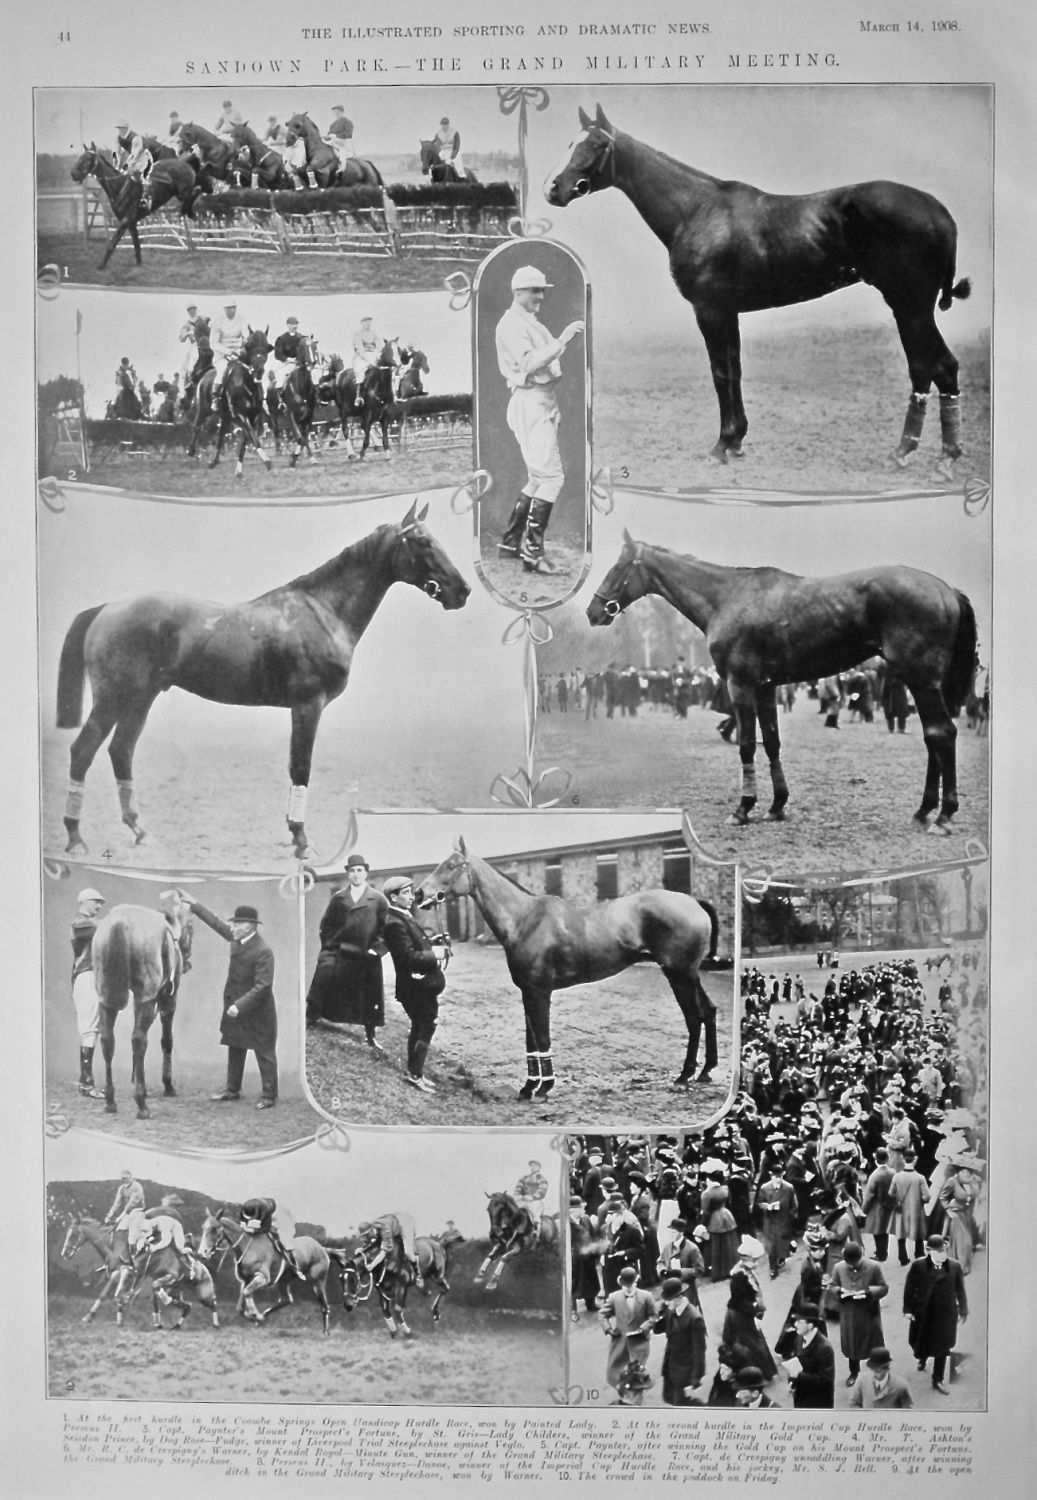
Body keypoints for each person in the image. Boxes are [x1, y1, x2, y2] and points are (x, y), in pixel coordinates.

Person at [494, 265, 585, 571]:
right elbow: (531, 363)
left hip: (541, 400)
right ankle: (533, 553)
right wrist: (563, 339)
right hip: (529, 401)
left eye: (542, 290)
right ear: (517, 292)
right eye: (535, 290)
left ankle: (509, 542)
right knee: (552, 477)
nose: (541, 296)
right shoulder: (510, 324)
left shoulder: (527, 321)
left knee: (537, 477)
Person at [174, 894, 278, 1109]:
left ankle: (269, 1095)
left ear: (250, 927)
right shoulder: (237, 940)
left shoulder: (263, 951)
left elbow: (263, 986)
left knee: (264, 1051)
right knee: (236, 1045)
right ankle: (232, 1090)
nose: (233, 926)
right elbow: (217, 924)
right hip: (236, 1006)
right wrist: (194, 905)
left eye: (237, 923)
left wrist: (238, 1006)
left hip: (258, 1010)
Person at [305, 856, 388, 1048]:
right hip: (339, 951)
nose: (356, 874)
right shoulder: (339, 898)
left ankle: (370, 1034)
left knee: (370, 992)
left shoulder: (378, 899)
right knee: (324, 972)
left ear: (366, 873)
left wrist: (376, 951)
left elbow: (387, 930)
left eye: (360, 870)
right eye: (352, 871)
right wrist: (329, 946)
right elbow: (326, 926)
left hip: (366, 954)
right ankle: (311, 1017)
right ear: (347, 873)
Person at [381, 874, 446, 1092]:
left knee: (422, 1025)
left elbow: (414, 945)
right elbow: (406, 957)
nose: (411, 896)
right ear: (393, 897)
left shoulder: (403, 916)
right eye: (406, 893)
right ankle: (415, 1074)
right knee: (425, 1024)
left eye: (411, 891)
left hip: (420, 985)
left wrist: (432, 944)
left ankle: (415, 1072)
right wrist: (434, 954)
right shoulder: (394, 923)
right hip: (413, 986)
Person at [903, 1232, 968, 1395]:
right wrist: (908, 1310)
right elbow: (909, 1289)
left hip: (946, 1315)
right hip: (923, 1313)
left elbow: (960, 1289)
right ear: (928, 1251)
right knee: (922, 1340)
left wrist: (964, 1310)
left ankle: (937, 1379)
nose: (942, 1255)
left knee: (943, 1346)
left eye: (944, 1251)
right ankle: (923, 1357)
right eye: (938, 1252)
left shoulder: (954, 1267)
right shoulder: (918, 1266)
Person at [829, 1241, 888, 1386]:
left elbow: (884, 1287)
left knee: (874, 1345)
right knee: (852, 1345)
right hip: (849, 1314)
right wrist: (840, 1292)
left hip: (869, 1313)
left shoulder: (873, 1267)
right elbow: (832, 1286)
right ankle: (854, 1372)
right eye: (850, 1265)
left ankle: (879, 1373)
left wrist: (868, 1293)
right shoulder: (838, 1268)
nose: (852, 1267)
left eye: (855, 1264)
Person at [69, 887, 107, 1098]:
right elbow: (100, 927)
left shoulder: (92, 923)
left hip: (94, 977)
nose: (100, 906)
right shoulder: (80, 922)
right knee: (89, 1029)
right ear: (84, 901)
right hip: (86, 977)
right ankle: (86, 1083)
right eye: (97, 902)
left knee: (93, 1028)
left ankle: (86, 1082)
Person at [599, 1266, 656, 1406]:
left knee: (637, 1375)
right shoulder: (614, 1297)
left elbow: (653, 1316)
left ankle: (636, 1402)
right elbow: (602, 1315)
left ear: (636, 1282)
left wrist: (644, 1328)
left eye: (631, 1285)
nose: (628, 1289)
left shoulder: (646, 1296)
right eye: (626, 1286)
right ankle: (626, 1397)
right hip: (620, 1344)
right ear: (621, 1284)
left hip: (639, 1343)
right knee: (616, 1373)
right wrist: (609, 1329)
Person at [722, 1237, 778, 1380]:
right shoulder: (739, 1278)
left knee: (751, 1343)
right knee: (751, 1344)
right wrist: (754, 1312)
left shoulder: (746, 1272)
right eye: (755, 1260)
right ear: (746, 1259)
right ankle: (758, 1373)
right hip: (739, 1314)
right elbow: (739, 1301)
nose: (758, 1263)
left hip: (743, 1312)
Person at [654, 1275, 706, 1405]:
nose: (666, 1303)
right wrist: (659, 1313)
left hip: (684, 1370)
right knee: (668, 1397)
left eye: (669, 1300)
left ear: (679, 1298)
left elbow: (699, 1351)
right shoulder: (671, 1310)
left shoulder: (694, 1318)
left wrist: (696, 1378)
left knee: (681, 1403)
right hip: (670, 1366)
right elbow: (657, 1330)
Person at [783, 1302, 836, 1408]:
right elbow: (795, 1362)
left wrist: (799, 1375)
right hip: (801, 1395)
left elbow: (826, 1381)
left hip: (817, 1401)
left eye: (799, 1322)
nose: (795, 1325)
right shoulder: (799, 1338)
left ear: (810, 1325)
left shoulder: (825, 1349)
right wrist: (792, 1382)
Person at [239, 1196, 303, 1277]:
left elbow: (265, 1228)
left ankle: (294, 1266)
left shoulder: (265, 1211)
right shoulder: (245, 1207)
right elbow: (242, 1221)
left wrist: (251, 1230)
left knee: (284, 1241)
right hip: (263, 1214)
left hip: (277, 1217)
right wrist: (243, 1225)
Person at [755, 1162, 797, 1279]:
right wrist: (767, 1207)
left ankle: (782, 1257)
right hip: (770, 1221)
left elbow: (794, 1205)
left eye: (780, 1177)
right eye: (775, 1177)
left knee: (782, 1243)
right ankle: (773, 1267)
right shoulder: (765, 1188)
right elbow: (759, 1203)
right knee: (771, 1246)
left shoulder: (789, 1188)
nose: (778, 1180)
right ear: (771, 1175)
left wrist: (790, 1217)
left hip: (783, 1221)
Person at [892, 1150, 931, 1265]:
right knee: (918, 1230)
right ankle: (919, 1252)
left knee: (901, 1232)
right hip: (916, 1208)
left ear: (903, 1159)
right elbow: (927, 1196)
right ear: (915, 1160)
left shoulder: (897, 1177)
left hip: (901, 1208)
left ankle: (903, 1257)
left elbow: (891, 1193)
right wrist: (921, 1201)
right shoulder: (920, 1178)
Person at [209, 298, 252, 397]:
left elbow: (246, 335)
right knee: (222, 370)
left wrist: (243, 345)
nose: (232, 310)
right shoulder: (218, 322)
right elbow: (213, 343)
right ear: (224, 309)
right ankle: (215, 396)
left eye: (234, 308)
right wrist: (227, 351)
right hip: (222, 355)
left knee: (251, 368)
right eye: (229, 308)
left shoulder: (240, 319)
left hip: (238, 352)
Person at [849, 1346, 915, 1408]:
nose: (874, 1374)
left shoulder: (900, 1386)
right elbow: (854, 1403)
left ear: (888, 1369)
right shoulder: (862, 1381)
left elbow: (907, 1410)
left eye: (879, 1372)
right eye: (873, 1370)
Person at [861, 1146, 896, 1262]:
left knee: (877, 1232)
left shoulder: (875, 1175)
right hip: (889, 1206)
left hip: (877, 1208)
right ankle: (883, 1251)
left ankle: (881, 1254)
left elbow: (869, 1195)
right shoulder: (893, 1172)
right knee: (884, 1231)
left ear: (876, 1160)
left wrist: (863, 1210)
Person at [352, 315, 384, 405]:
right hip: (361, 356)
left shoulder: (373, 334)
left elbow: (379, 346)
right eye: (366, 322)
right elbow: (359, 348)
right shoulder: (358, 334)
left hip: (374, 354)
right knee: (361, 373)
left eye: (369, 322)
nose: (368, 324)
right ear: (362, 323)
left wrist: (379, 356)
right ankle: (359, 396)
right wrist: (368, 360)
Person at [272, 316, 309, 390]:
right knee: (280, 376)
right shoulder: (281, 339)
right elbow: (277, 354)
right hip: (286, 364)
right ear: (288, 325)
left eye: (296, 324)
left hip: (299, 363)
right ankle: (280, 396)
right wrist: (287, 359)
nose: (295, 326)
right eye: (292, 324)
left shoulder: (301, 338)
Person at [514, 1159, 550, 1226]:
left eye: (535, 1165)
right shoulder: (524, 1178)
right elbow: (518, 1187)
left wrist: (532, 1197)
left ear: (539, 1167)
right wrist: (518, 1196)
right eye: (531, 1165)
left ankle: (536, 1230)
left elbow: (542, 1191)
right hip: (523, 1200)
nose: (533, 1167)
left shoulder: (542, 1179)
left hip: (535, 1201)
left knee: (535, 1213)